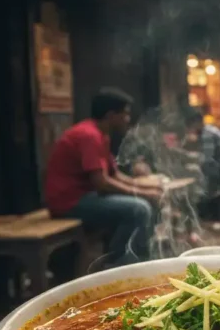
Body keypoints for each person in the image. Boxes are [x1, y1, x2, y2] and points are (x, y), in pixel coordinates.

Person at [45, 87, 163, 266]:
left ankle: (140, 259)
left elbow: (114, 174)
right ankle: (119, 263)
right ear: (110, 115)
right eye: (125, 114)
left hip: (88, 197)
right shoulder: (88, 135)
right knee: (139, 209)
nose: (127, 119)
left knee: (148, 202)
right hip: (69, 202)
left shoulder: (101, 135)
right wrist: (143, 193)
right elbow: (102, 183)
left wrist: (148, 188)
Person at [183, 107, 220, 198]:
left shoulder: (207, 133)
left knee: (204, 169)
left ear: (197, 122)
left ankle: (210, 198)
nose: (190, 128)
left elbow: (207, 159)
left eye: (190, 125)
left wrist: (188, 160)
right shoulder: (207, 131)